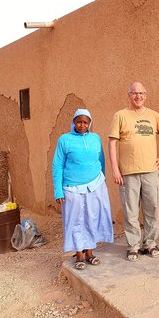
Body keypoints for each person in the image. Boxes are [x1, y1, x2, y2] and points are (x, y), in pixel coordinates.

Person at [108, 82, 159, 262]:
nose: (138, 96)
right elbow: (112, 143)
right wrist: (115, 169)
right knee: (130, 211)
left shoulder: (154, 115)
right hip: (128, 173)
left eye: (141, 93)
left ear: (146, 95)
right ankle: (133, 245)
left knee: (153, 208)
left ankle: (150, 243)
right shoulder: (120, 115)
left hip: (150, 171)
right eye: (135, 93)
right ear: (129, 95)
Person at [52, 108, 114, 270]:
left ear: (90, 123)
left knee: (91, 218)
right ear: (73, 122)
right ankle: (79, 253)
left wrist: (103, 181)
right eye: (79, 121)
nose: (82, 125)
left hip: (95, 185)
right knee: (76, 220)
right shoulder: (64, 140)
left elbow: (101, 160)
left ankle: (90, 252)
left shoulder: (95, 138)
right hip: (72, 187)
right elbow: (57, 165)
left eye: (85, 122)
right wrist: (58, 190)